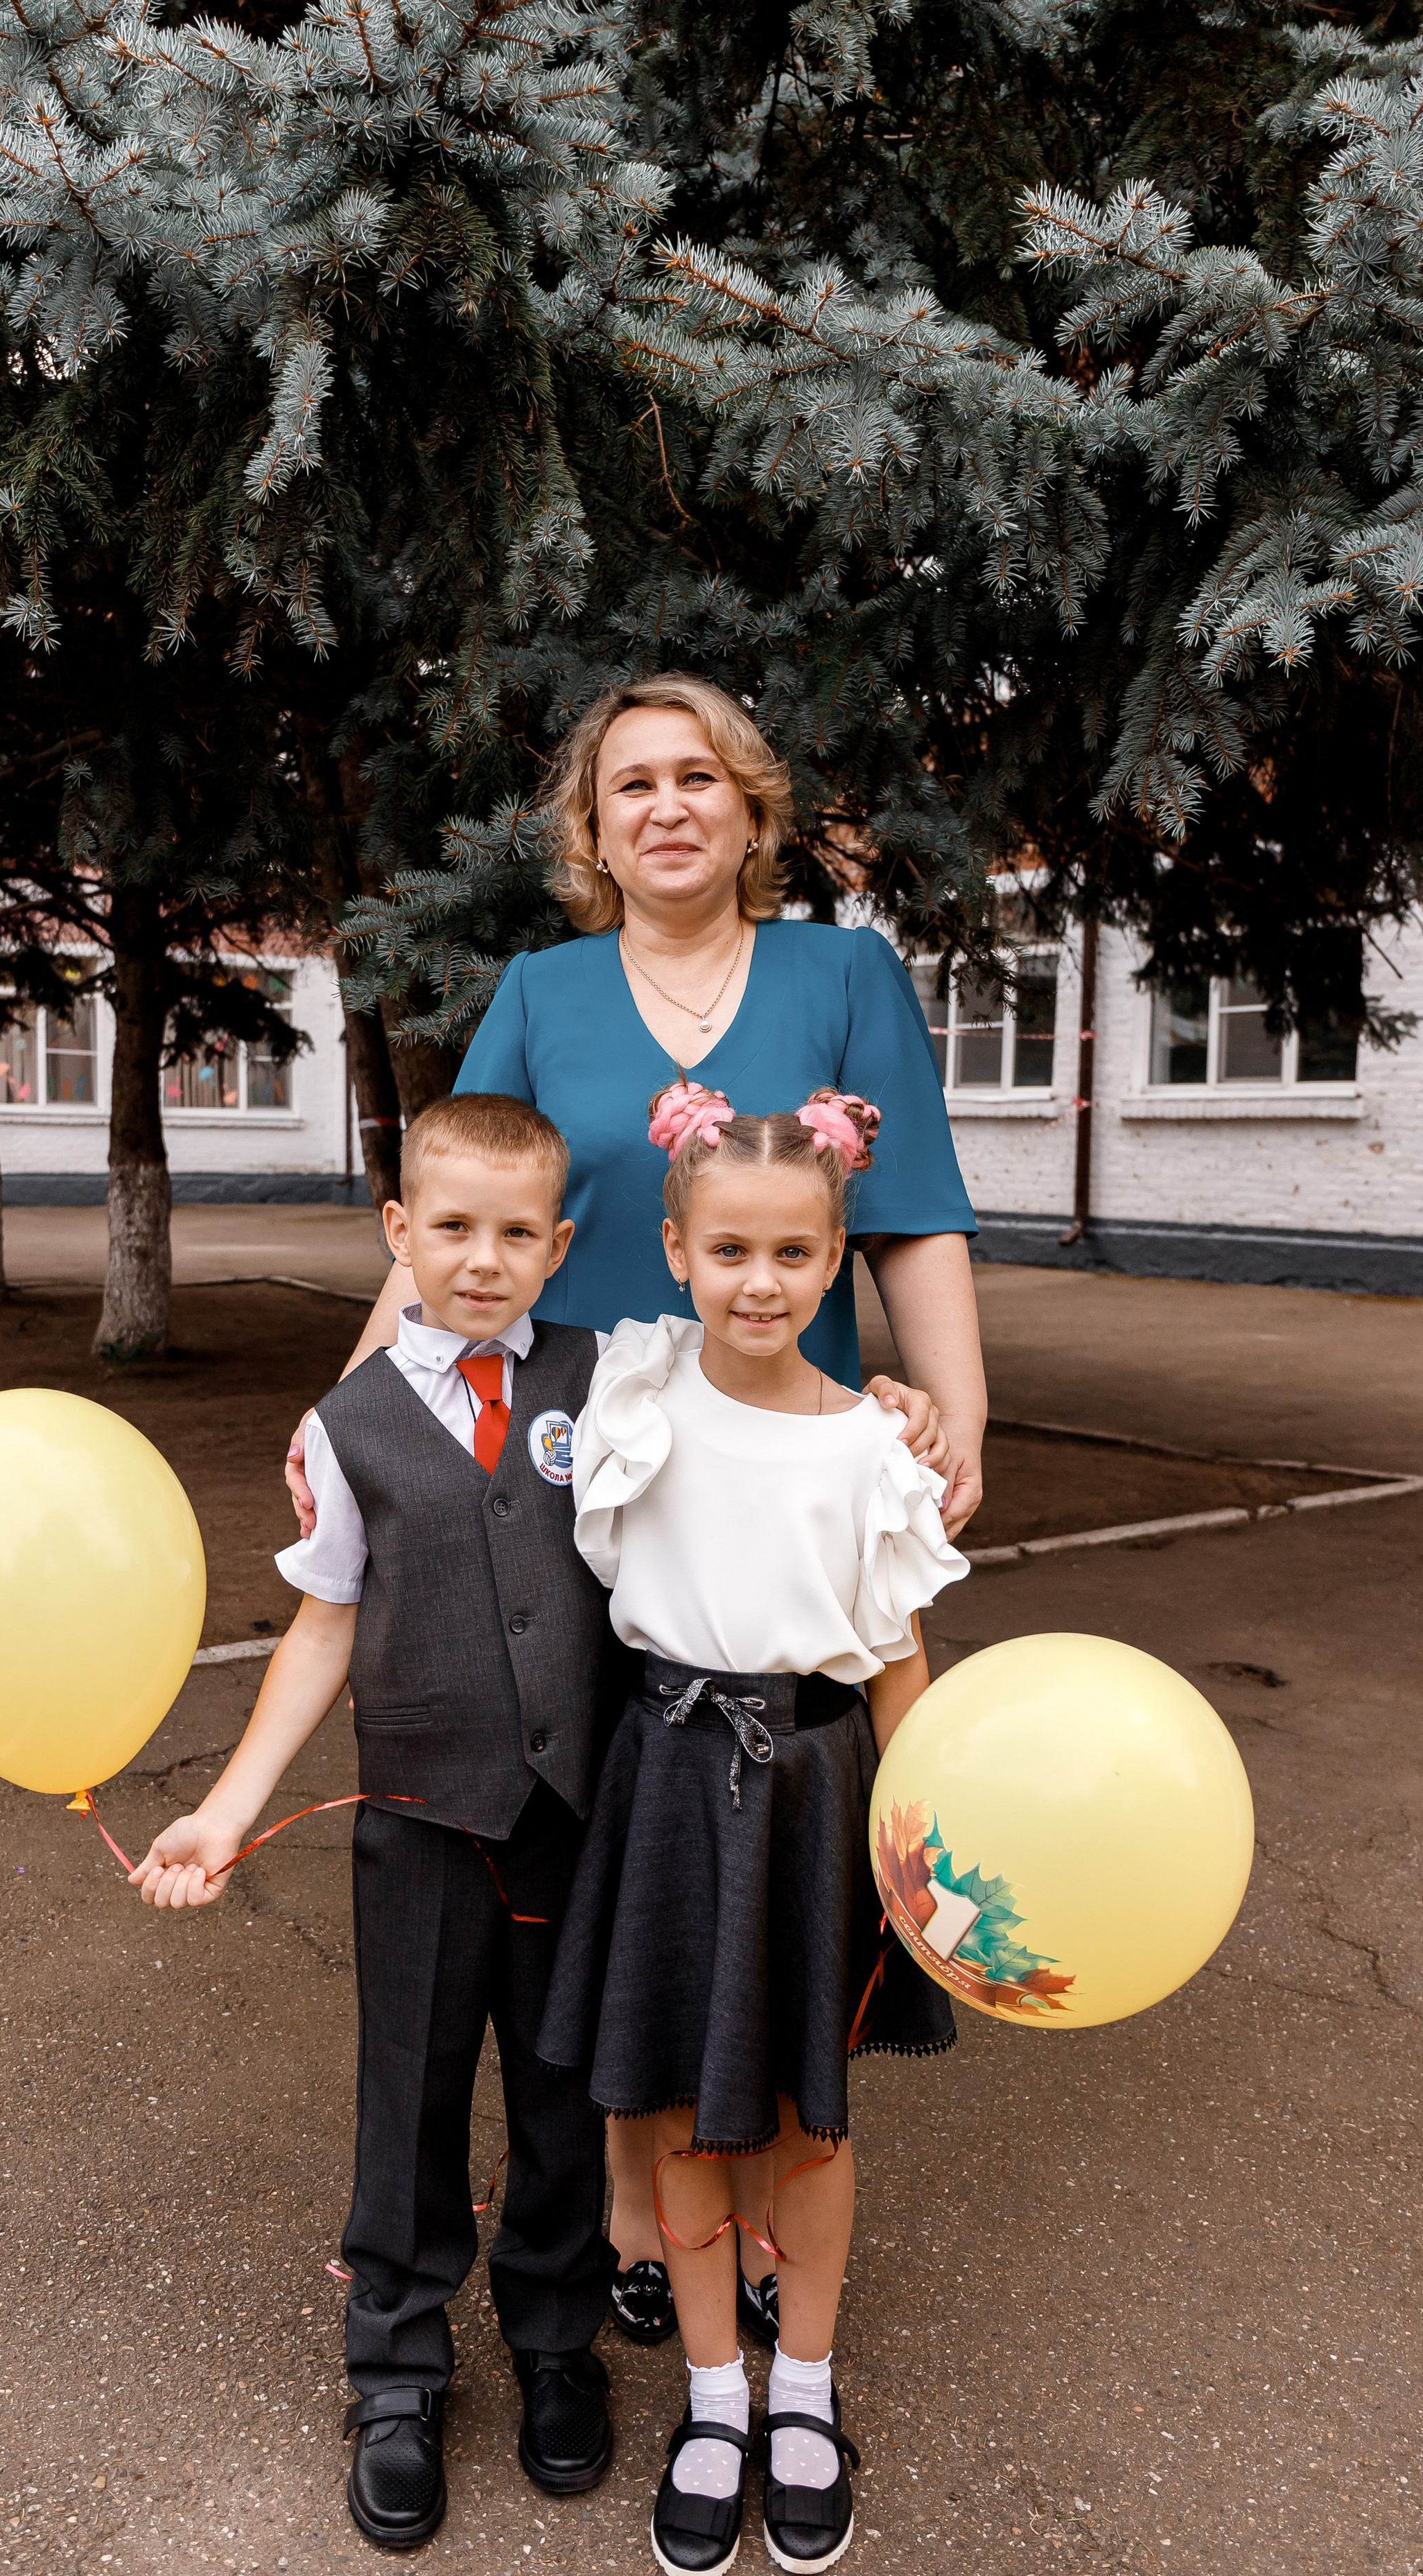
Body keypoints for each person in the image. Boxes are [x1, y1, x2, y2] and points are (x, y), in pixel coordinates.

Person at [287, 671, 988, 2349]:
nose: (663, 807)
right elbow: (455, 1227)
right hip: (572, 1477)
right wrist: (344, 1413)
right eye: (628, 788)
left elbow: (914, 1219)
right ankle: (625, 2192)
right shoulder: (539, 989)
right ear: (591, 833)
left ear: (749, 807)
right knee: (604, 1840)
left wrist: (955, 1401)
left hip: (767, 1475)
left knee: (762, 1842)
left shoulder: (842, 973)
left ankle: (760, 2182)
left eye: (695, 778)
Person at [130, 1093, 620, 2553]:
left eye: (515, 1232)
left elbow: (752, 1403)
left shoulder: (608, 1380)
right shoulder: (346, 1429)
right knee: (404, 2097)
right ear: (398, 1232)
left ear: (557, 1245)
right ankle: (397, 2370)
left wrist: (889, 1403)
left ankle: (552, 2342)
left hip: (567, 1821)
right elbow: (320, 1630)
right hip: (415, 1821)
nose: (482, 1258)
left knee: (559, 2096)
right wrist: (224, 1812)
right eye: (450, 1226)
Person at [538, 1079, 970, 2576]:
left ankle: (803, 2386)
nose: (760, 1284)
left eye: (795, 1255)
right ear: (674, 1251)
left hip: (813, 1792)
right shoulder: (634, 1396)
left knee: (804, 2110)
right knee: (670, 2108)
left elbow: (900, 1657)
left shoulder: (871, 1449)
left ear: (836, 1258)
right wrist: (327, 1445)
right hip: (664, 1780)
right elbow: (469, 1313)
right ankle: (712, 2394)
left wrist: (927, 1860)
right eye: (728, 1252)